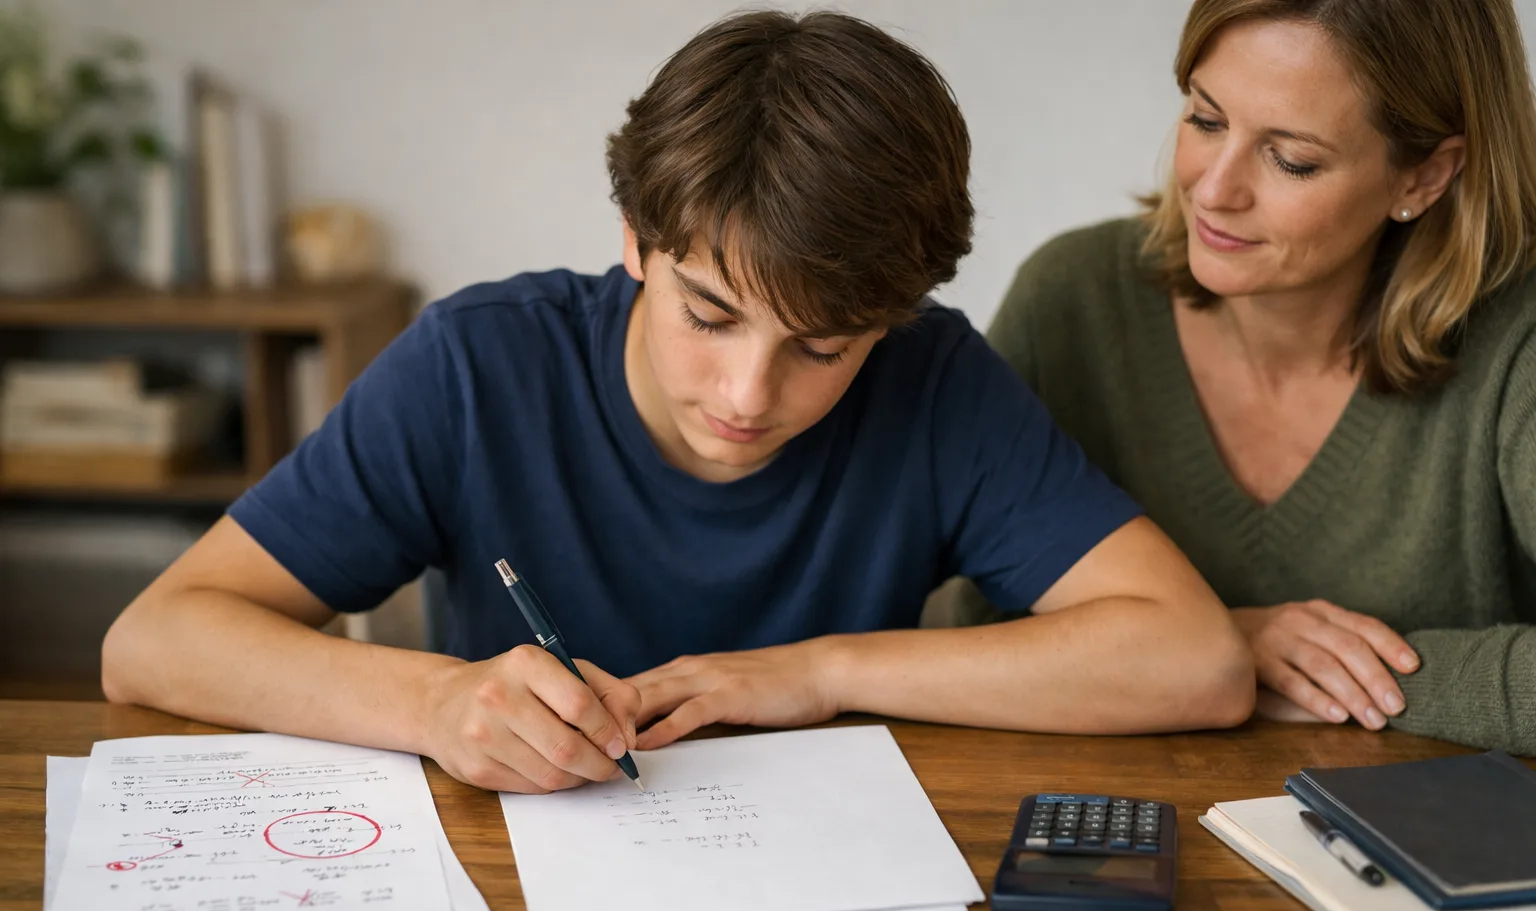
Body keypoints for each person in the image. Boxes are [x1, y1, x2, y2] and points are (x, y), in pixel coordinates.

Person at [102, 11, 1252, 794]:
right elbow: (154, 640)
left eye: (824, 345)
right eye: (710, 316)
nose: (751, 395)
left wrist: (817, 671)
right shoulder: (478, 366)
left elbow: (1193, 661)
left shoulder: (933, 378)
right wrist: (437, 705)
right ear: (637, 242)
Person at [965, 0, 1536, 754]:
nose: (1214, 189)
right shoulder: (1072, 299)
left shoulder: (1517, 341)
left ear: (1426, 176)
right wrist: (1206, 651)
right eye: (1205, 119)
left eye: (1290, 159)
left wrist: (1304, 675)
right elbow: (961, 630)